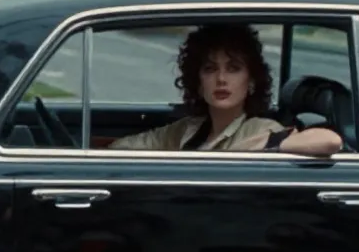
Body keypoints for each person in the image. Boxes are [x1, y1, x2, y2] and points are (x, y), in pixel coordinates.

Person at [109, 23, 343, 155]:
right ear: (198, 83)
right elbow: (122, 148)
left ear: (251, 82)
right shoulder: (188, 129)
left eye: (233, 69)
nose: (221, 79)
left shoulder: (260, 129)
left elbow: (329, 141)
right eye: (210, 69)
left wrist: (261, 146)